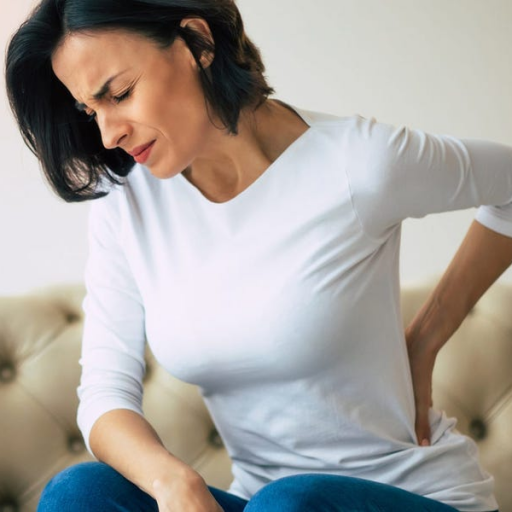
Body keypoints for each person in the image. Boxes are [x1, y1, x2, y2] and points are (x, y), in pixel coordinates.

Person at [5, 0, 509, 511]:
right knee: (79, 493)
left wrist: (424, 340)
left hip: (411, 495)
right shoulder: (128, 203)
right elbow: (103, 396)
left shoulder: (358, 163)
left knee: (290, 501)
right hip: (263, 504)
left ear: (197, 43)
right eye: (91, 111)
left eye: (120, 94)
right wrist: (172, 481)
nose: (109, 133)